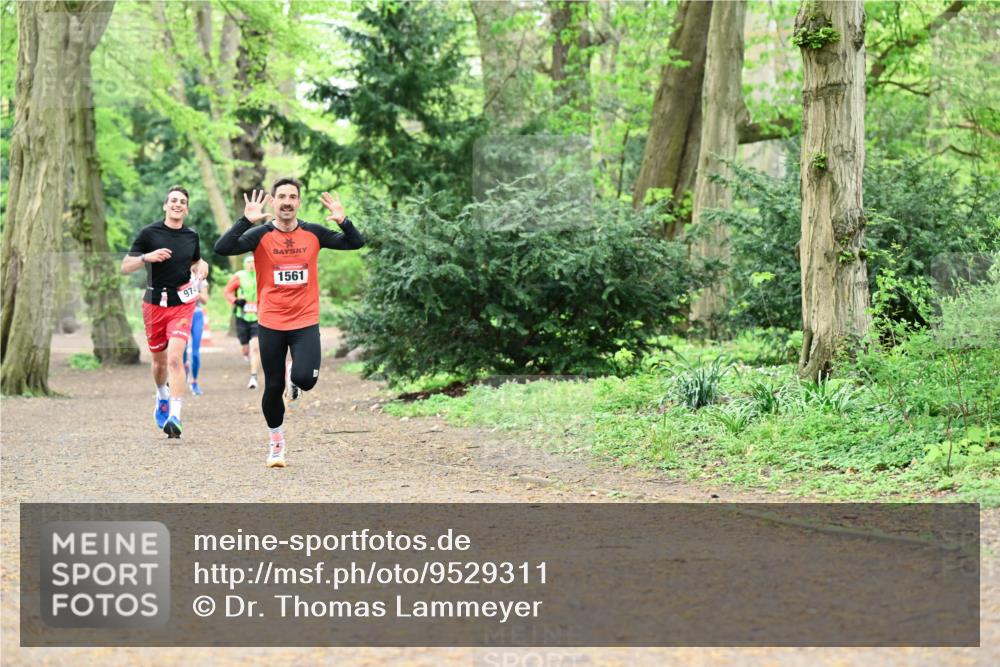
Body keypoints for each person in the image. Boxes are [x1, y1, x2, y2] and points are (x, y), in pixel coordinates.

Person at [215, 178, 364, 467]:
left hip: (305, 321)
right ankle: (276, 443)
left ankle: (295, 381)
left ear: (298, 202)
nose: (286, 201)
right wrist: (244, 221)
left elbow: (356, 243)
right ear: (273, 201)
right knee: (272, 386)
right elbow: (222, 248)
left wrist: (344, 220)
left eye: (292, 196)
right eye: (281, 196)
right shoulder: (259, 234)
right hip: (270, 321)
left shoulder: (314, 233)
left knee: (306, 379)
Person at [122, 185, 209, 438]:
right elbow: (126, 266)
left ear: (187, 208)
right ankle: (162, 395)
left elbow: (196, 260)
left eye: (182, 201)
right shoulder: (149, 233)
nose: (177, 204)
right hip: (153, 306)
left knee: (175, 359)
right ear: (165, 205)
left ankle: (175, 416)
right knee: (159, 362)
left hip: (181, 304)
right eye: (173, 200)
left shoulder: (191, 236)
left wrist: (202, 266)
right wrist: (147, 257)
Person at [223, 255, 262, 389]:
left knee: (255, 347)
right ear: (245, 265)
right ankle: (247, 354)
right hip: (242, 316)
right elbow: (227, 292)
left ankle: (253, 376)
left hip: (258, 316)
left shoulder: (261, 274)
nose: (252, 265)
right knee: (246, 349)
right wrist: (236, 301)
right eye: (249, 263)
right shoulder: (239, 276)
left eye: (253, 262)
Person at [184, 269, 210, 395]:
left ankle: (194, 382)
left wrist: (195, 293)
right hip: (181, 315)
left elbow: (205, 300)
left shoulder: (200, 278)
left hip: (197, 315)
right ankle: (181, 378)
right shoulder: (179, 274)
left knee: (195, 352)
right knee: (181, 351)